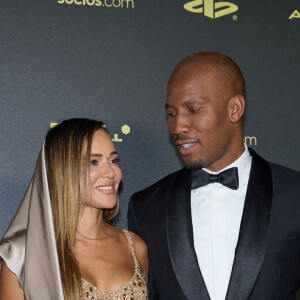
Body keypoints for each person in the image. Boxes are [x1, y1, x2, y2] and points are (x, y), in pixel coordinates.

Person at [128, 52, 300, 300]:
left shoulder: (294, 196)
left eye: (193, 109)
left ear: (235, 109)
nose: (177, 127)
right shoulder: (146, 207)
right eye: (172, 113)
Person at [0, 118, 148, 300]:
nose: (111, 172)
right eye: (94, 162)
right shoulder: (22, 255)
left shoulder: (135, 247)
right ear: (64, 171)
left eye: (113, 160)